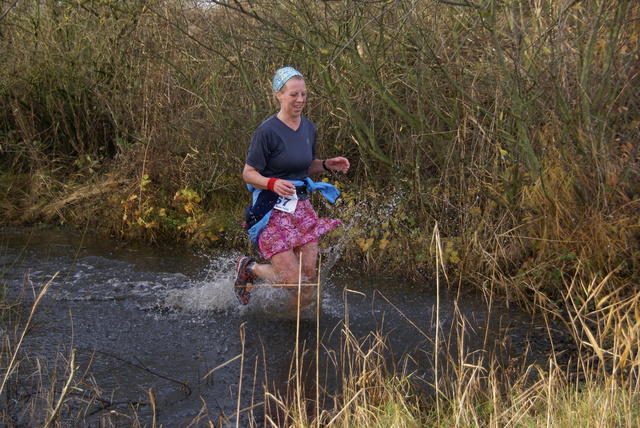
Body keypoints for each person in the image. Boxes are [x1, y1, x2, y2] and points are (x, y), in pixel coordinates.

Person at [234, 66, 350, 310]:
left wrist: (327, 165)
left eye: (304, 94)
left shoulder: (309, 127)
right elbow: (248, 173)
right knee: (293, 282)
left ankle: (291, 330)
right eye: (293, 94)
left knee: (308, 280)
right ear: (279, 95)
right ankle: (249, 267)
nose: (300, 100)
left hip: (302, 208)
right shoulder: (266, 132)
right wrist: (272, 182)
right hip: (271, 210)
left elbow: (304, 167)